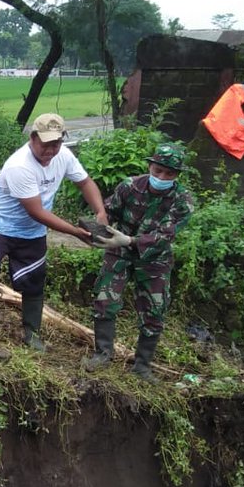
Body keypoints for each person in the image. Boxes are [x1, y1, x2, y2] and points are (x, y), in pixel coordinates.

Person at [0, 114, 105, 348]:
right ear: (33, 138)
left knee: (34, 283)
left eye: (56, 144)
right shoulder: (20, 165)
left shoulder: (64, 156)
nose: (51, 150)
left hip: (32, 233)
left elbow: (85, 182)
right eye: (45, 144)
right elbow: (36, 211)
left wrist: (100, 212)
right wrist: (76, 232)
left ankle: (31, 334)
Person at [80, 143, 195, 381]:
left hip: (154, 258)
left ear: (177, 175)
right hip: (118, 250)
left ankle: (142, 366)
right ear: (150, 166)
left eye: (168, 174)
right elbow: (109, 210)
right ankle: (102, 354)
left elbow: (164, 237)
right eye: (157, 171)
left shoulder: (183, 201)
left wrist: (130, 240)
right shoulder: (130, 186)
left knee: (154, 310)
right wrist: (97, 229)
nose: (161, 177)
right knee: (104, 298)